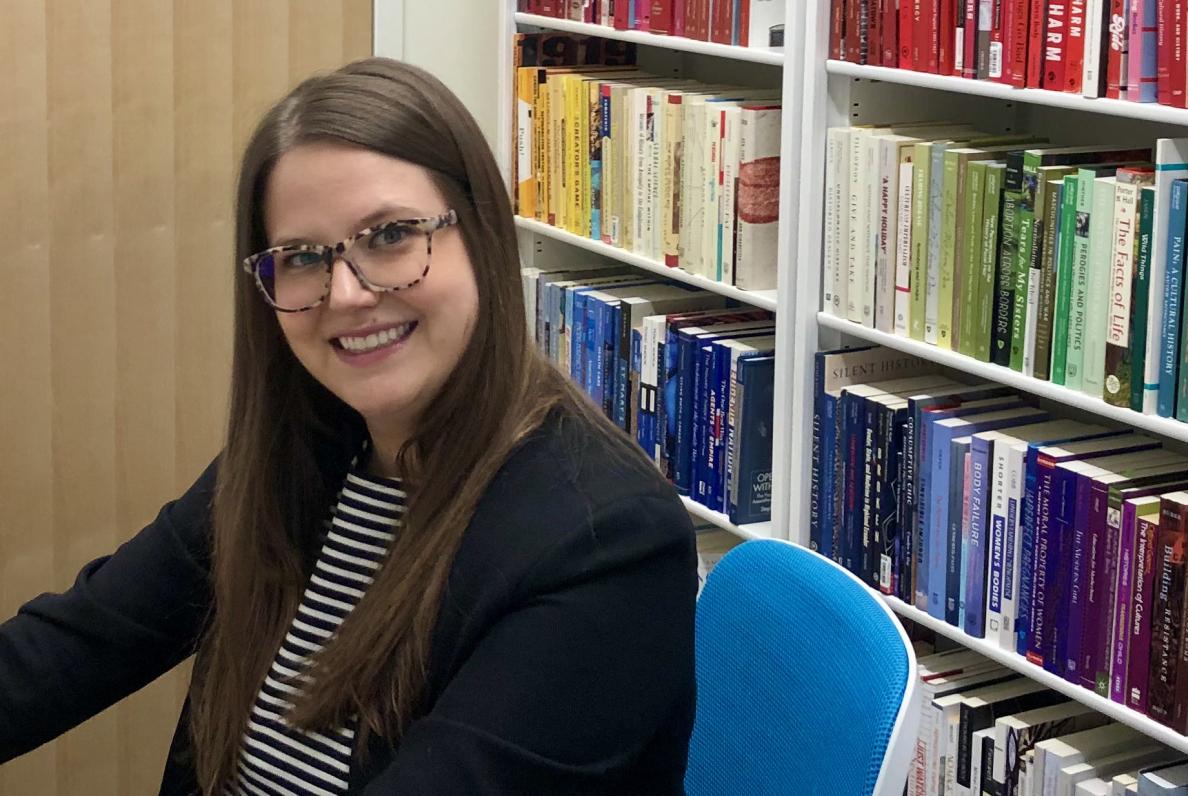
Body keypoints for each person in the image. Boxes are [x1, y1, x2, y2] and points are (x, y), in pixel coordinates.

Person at [0, 58, 697, 795]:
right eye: (301, 257)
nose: (348, 292)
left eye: (391, 235)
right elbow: (76, 645)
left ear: (484, 237)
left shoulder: (605, 542)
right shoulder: (308, 449)